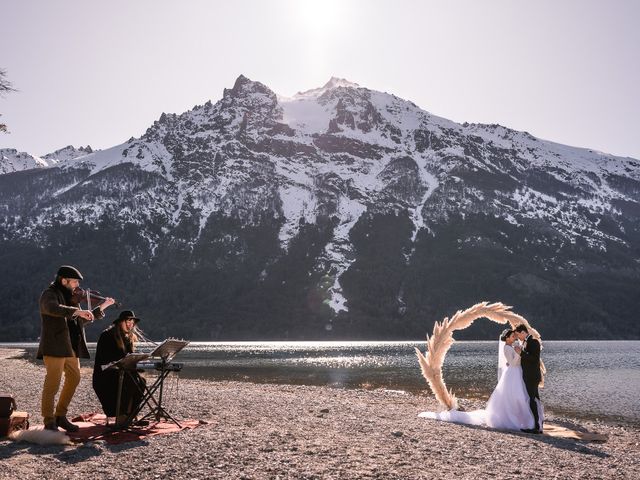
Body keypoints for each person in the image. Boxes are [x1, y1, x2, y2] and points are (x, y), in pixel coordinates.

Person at [37, 265, 115, 431]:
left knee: (74, 378)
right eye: (74, 282)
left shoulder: (71, 298)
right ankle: (48, 420)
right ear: (64, 280)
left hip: (71, 347)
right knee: (52, 384)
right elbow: (52, 309)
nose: (77, 286)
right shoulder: (49, 294)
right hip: (55, 346)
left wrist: (101, 308)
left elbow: (79, 322)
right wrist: (77, 312)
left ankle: (60, 415)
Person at [419, 328, 543, 432]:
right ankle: (521, 420)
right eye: (512, 336)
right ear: (507, 338)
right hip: (513, 374)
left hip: (517, 373)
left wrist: (519, 353)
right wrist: (519, 353)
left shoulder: (513, 346)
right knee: (517, 397)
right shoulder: (507, 348)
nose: (515, 337)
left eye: (515, 336)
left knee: (523, 397)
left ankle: (530, 421)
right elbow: (513, 362)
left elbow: (516, 361)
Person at [92, 310, 146, 425]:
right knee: (129, 380)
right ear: (120, 322)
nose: (130, 324)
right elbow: (106, 359)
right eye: (128, 321)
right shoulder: (107, 335)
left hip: (121, 372)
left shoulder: (128, 338)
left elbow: (129, 358)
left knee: (141, 381)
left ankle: (131, 414)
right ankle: (121, 416)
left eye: (132, 322)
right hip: (105, 375)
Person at [513, 324, 544, 433]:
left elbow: (534, 359)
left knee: (532, 399)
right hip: (529, 375)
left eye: (518, 335)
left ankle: (536, 426)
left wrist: (521, 353)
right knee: (534, 399)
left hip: (532, 376)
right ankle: (538, 424)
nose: (518, 337)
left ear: (523, 332)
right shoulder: (526, 342)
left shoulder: (534, 342)